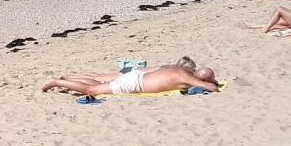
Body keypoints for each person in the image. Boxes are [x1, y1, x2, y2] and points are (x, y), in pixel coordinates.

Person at [41, 61, 219, 95]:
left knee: (99, 83)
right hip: (136, 83)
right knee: (92, 90)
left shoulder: (178, 68)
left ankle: (62, 80)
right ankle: (55, 82)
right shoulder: (188, 77)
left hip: (138, 76)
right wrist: (213, 83)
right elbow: (212, 88)